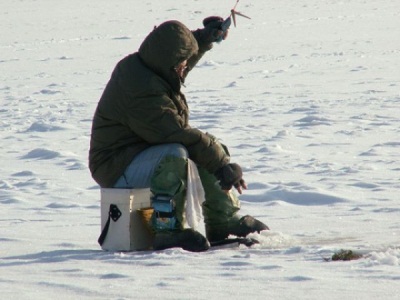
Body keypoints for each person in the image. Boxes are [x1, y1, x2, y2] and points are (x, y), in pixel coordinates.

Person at [89, 16, 268, 252]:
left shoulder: (147, 67)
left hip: (137, 152)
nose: (186, 66)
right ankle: (167, 229)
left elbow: (173, 60)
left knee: (204, 146)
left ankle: (223, 222)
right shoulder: (142, 91)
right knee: (177, 152)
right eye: (182, 63)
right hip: (114, 166)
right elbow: (175, 132)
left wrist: (204, 39)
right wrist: (222, 164)